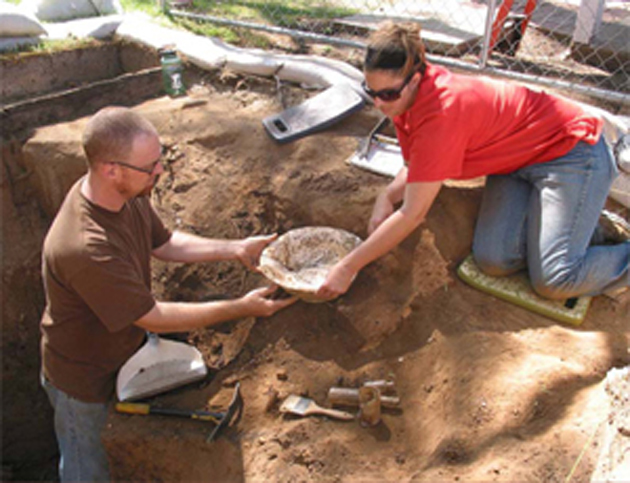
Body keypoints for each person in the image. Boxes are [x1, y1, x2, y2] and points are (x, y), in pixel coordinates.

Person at [40, 106, 297, 482]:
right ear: (111, 169)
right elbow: (152, 316)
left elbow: (165, 243)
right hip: (82, 381)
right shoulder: (84, 247)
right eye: (150, 167)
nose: (158, 172)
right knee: (87, 470)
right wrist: (241, 308)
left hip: (124, 356)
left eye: (159, 161)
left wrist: (235, 247)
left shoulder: (127, 191)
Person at [317, 21, 629, 301]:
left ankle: (584, 236)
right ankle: (581, 229)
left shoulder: (441, 113)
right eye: (370, 91)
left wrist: (348, 265)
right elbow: (416, 165)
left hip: (571, 153)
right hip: (514, 161)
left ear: (414, 79)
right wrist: (387, 196)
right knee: (495, 260)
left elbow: (413, 213)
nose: (377, 102)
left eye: (386, 94)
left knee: (555, 280)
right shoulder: (402, 102)